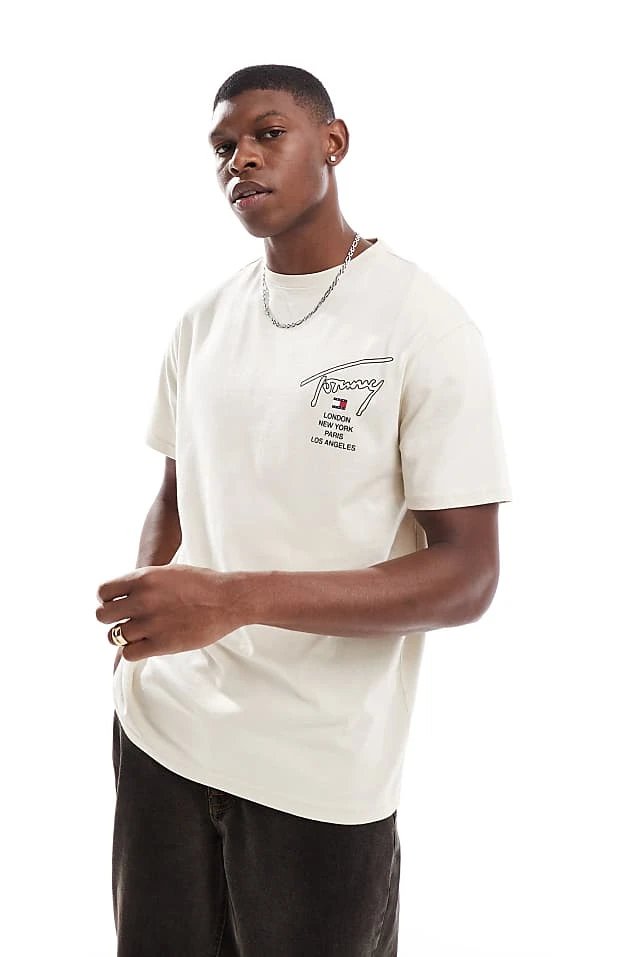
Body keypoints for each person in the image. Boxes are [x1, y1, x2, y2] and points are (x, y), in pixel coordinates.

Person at [96, 63, 512, 957]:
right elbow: (175, 496)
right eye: (222, 147)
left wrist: (235, 599)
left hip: (317, 774)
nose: (240, 159)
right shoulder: (203, 321)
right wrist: (139, 639)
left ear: (334, 142)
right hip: (163, 737)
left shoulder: (422, 325)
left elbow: (469, 573)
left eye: (267, 133)